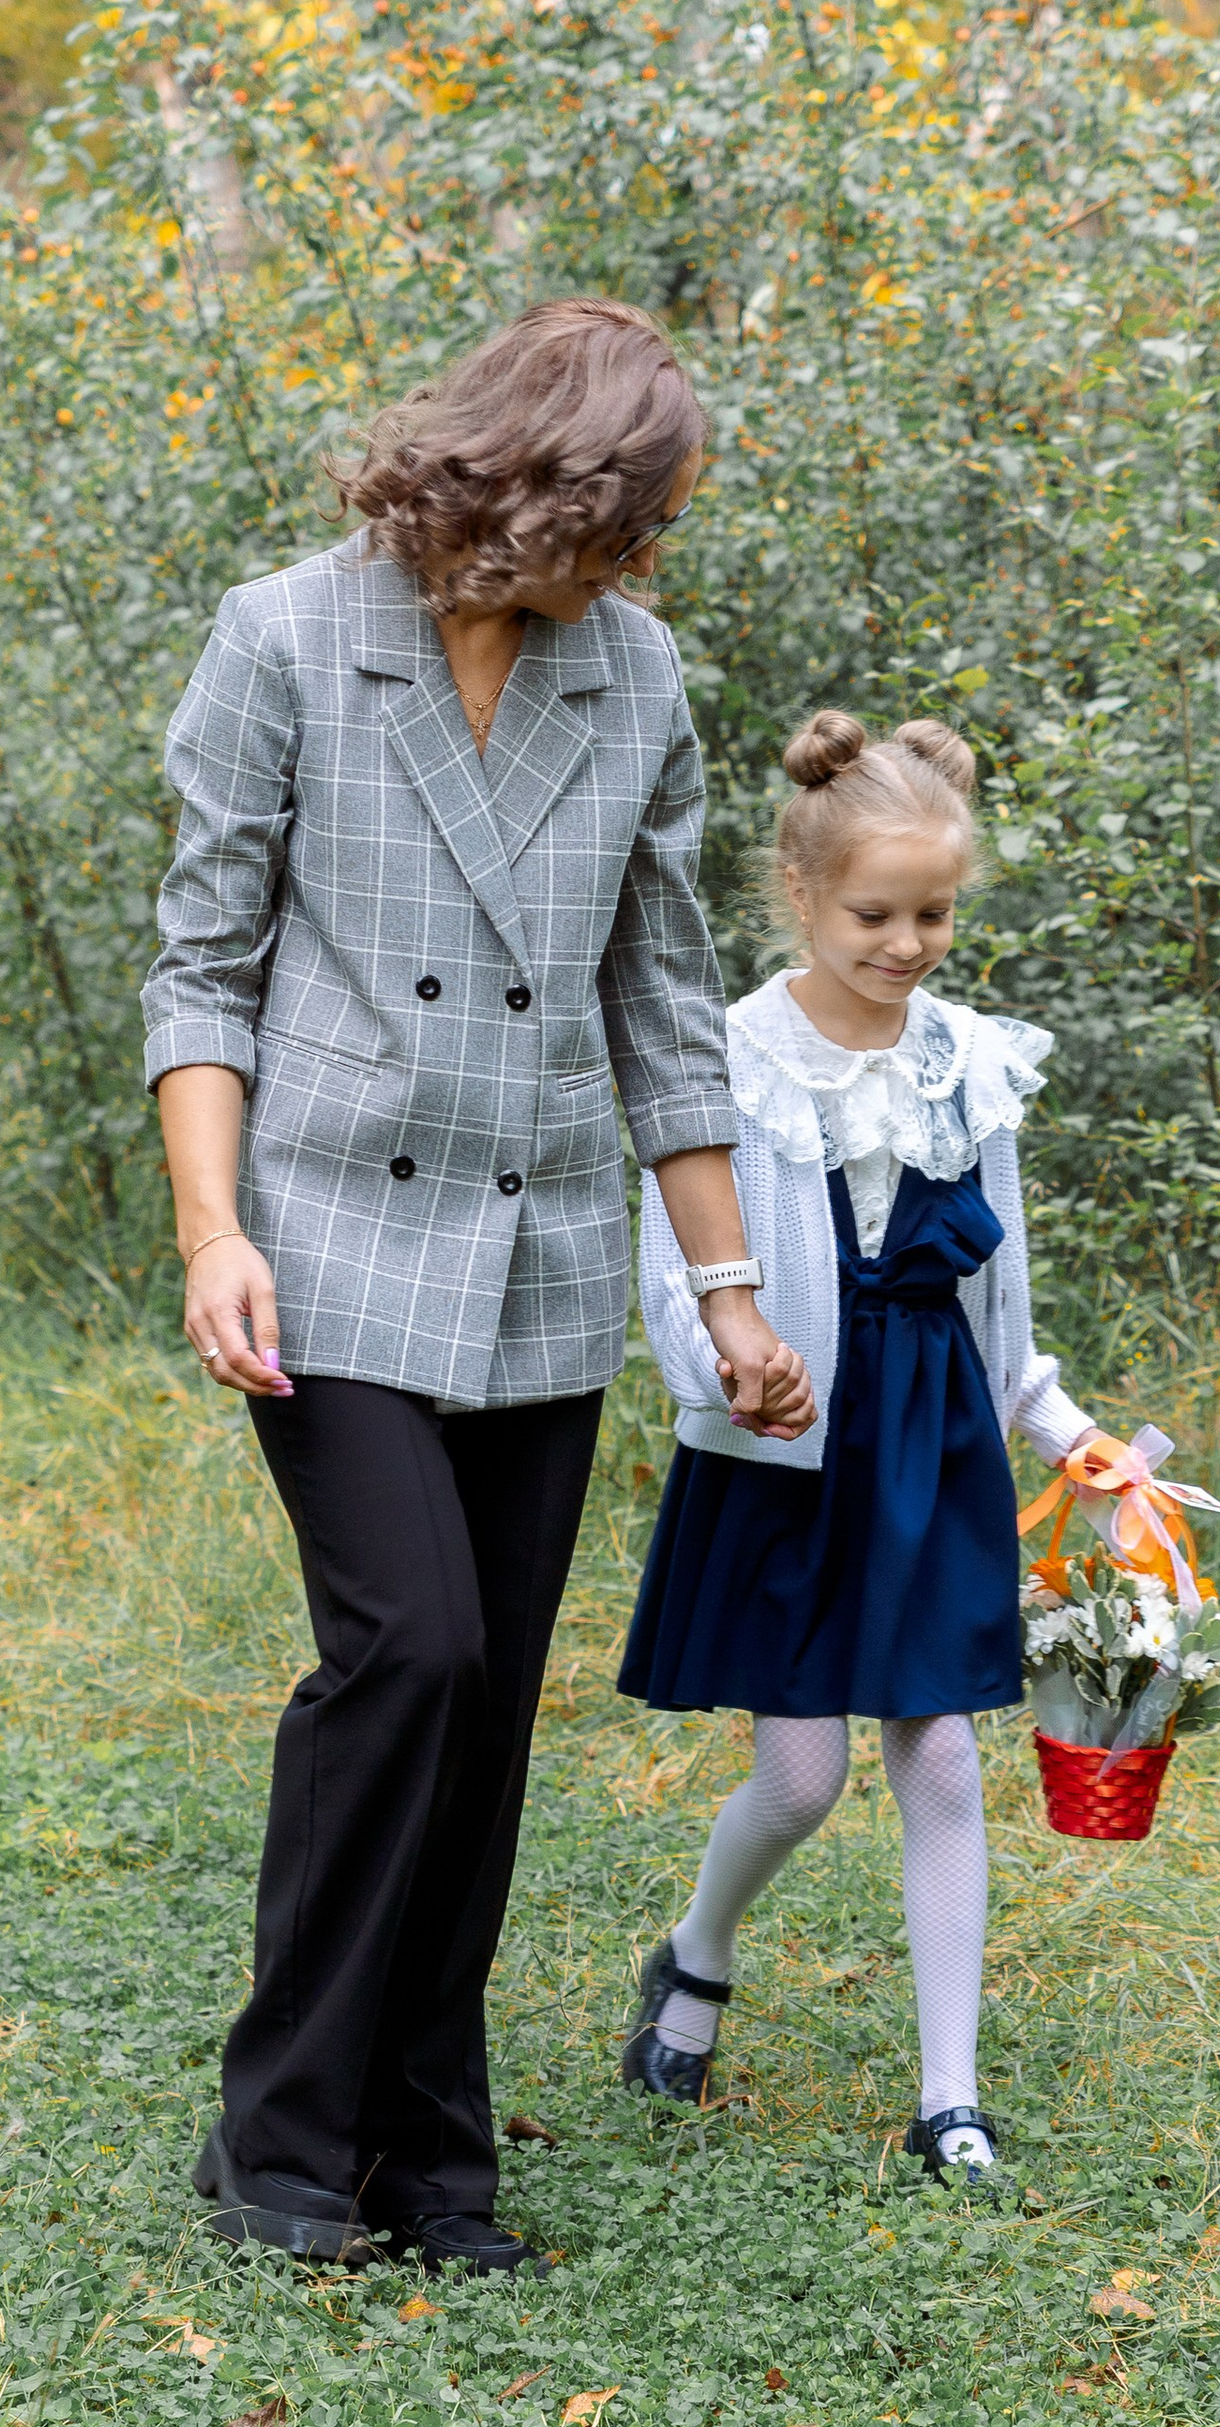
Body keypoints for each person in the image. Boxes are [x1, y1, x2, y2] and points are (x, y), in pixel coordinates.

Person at [143, 298, 814, 2275]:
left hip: (533, 1260)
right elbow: (203, 965)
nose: (643, 562)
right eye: (629, 518)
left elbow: (661, 1002)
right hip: (324, 1245)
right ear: (540, 486)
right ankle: (281, 2132)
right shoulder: (282, 638)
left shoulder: (635, 674)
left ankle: (432, 2163)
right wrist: (212, 1231)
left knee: (490, 1706)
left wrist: (727, 1289)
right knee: (411, 1650)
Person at [616, 709, 1128, 2180]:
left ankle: (948, 2097)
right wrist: (726, 1373)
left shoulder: (972, 1064)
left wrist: (1067, 1430)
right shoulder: (732, 1055)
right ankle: (696, 1959)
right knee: (797, 1781)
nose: (907, 944)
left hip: (929, 1445)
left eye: (935, 915)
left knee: (945, 1763)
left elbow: (999, 1290)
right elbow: (676, 1263)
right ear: (800, 895)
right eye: (875, 914)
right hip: (786, 1436)